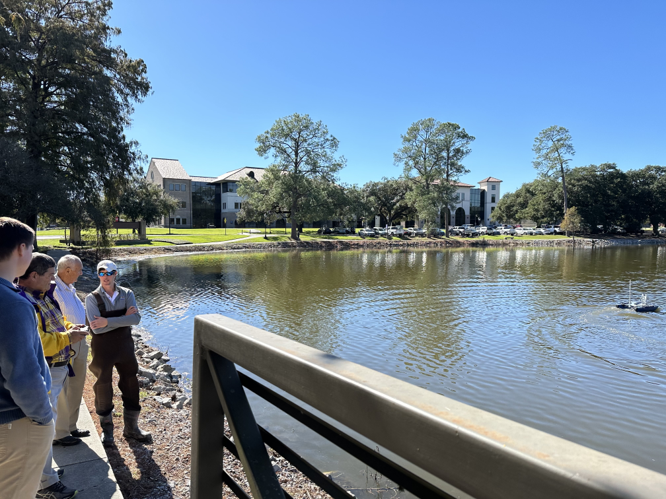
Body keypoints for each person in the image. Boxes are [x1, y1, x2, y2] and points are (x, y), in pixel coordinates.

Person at [18, 253, 87, 499]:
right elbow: (40, 342)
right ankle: (45, 484)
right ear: (33, 275)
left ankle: (46, 473)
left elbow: (57, 322)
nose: (52, 281)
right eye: (49, 276)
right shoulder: (25, 302)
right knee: (44, 426)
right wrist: (68, 338)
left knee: (49, 422)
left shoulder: (41, 297)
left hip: (57, 369)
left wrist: (70, 328)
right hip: (46, 370)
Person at [0, 218, 54, 499]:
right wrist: (44, 417)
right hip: (16, 423)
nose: (32, 254)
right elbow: (22, 374)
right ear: (21, 249)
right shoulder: (12, 303)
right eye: (32, 247)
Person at [85, 260, 151, 446]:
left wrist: (107, 321)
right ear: (98, 275)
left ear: (116, 274)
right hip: (102, 351)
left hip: (125, 348)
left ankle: (132, 428)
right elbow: (96, 329)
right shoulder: (91, 298)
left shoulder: (127, 293)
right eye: (102, 272)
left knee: (131, 383)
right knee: (103, 386)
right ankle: (108, 432)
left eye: (110, 272)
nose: (106, 276)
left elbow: (136, 319)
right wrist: (124, 319)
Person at [53, 255, 91, 442]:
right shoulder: (54, 290)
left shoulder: (70, 288)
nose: (81, 273)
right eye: (79, 270)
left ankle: (71, 426)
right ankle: (60, 433)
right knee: (63, 388)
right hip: (65, 343)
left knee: (77, 386)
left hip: (80, 342)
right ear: (67, 270)